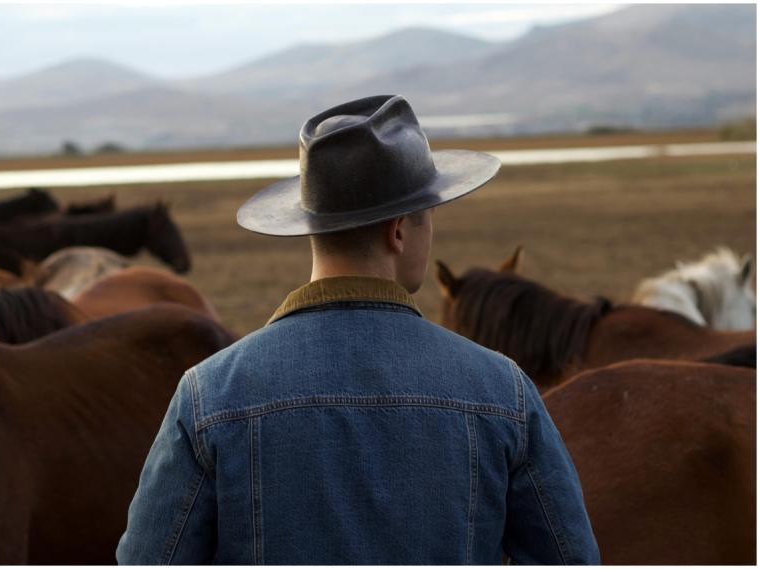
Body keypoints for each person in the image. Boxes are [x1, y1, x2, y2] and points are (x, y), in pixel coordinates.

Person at [116, 95, 600, 564]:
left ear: (311, 225)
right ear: (398, 230)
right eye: (429, 215)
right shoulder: (503, 391)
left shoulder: (209, 395)